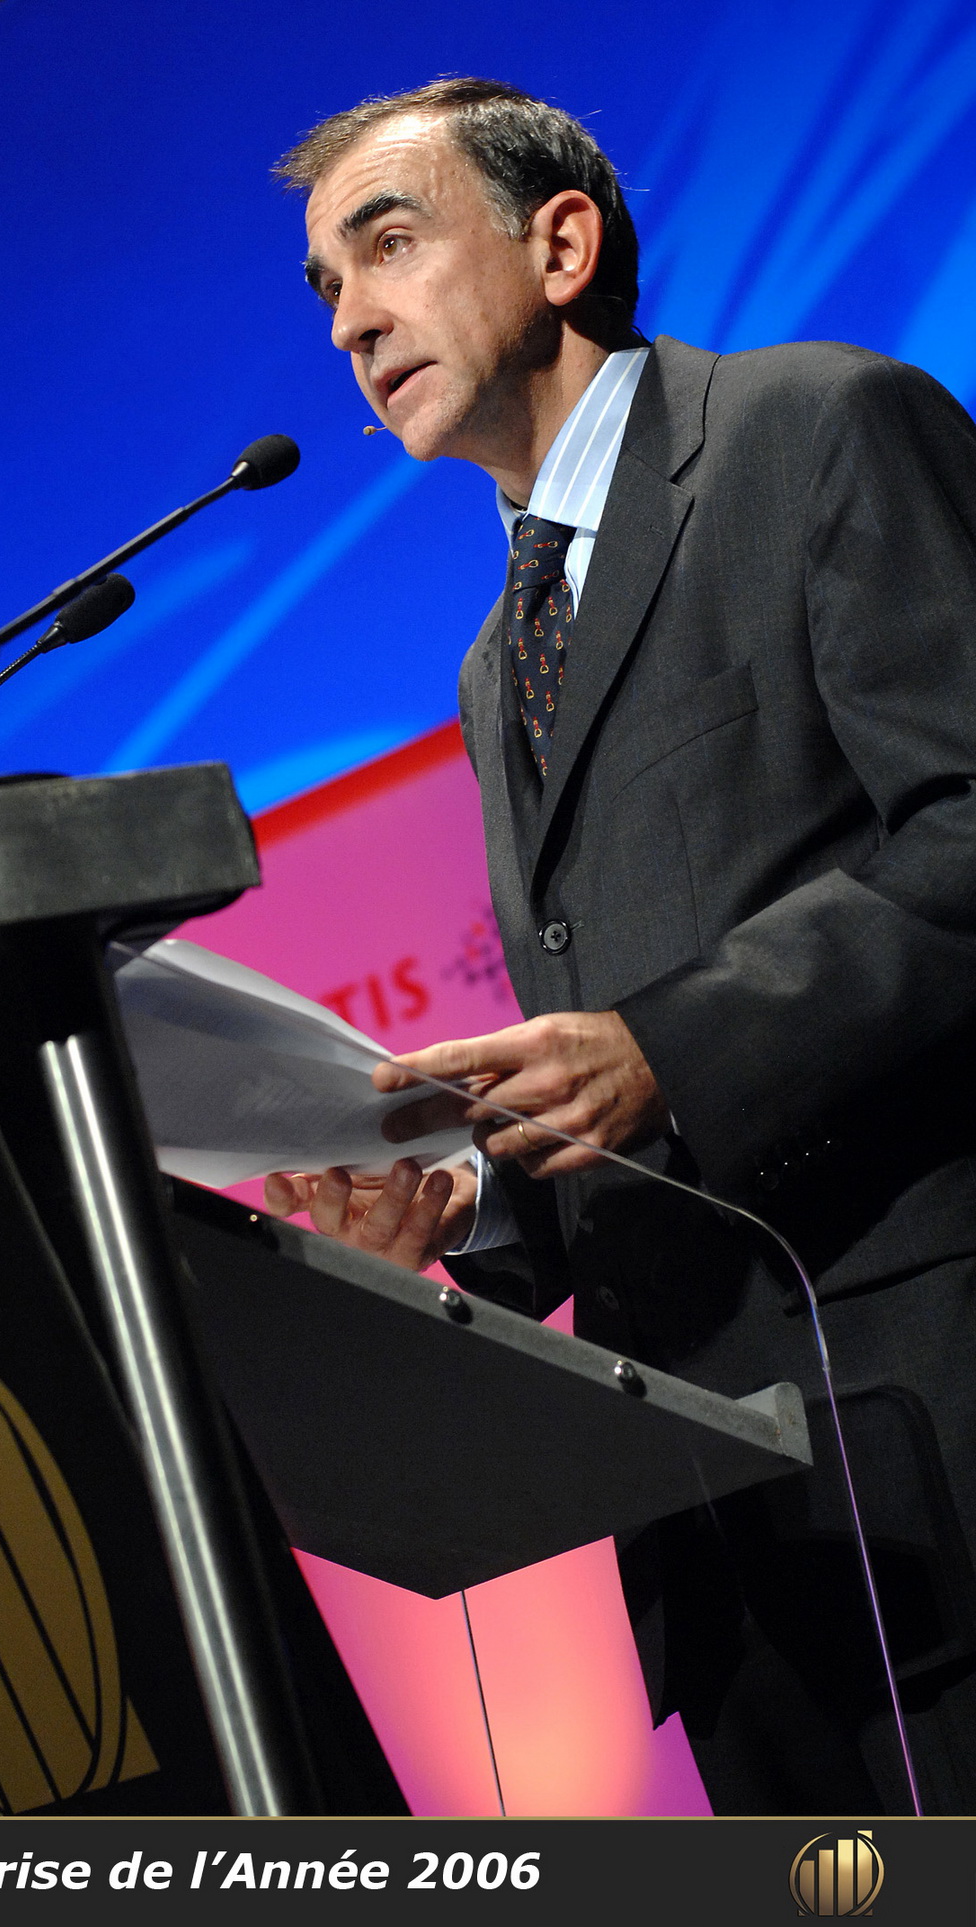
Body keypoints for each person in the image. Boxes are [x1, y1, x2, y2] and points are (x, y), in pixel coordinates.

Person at [262, 77, 976, 1816]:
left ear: (562, 242)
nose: (350, 322)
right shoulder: (492, 659)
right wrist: (471, 1213)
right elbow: (603, 1054)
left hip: (934, 1438)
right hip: (730, 1539)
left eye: (389, 245)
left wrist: (675, 1047)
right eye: (328, 288)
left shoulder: (816, 428)